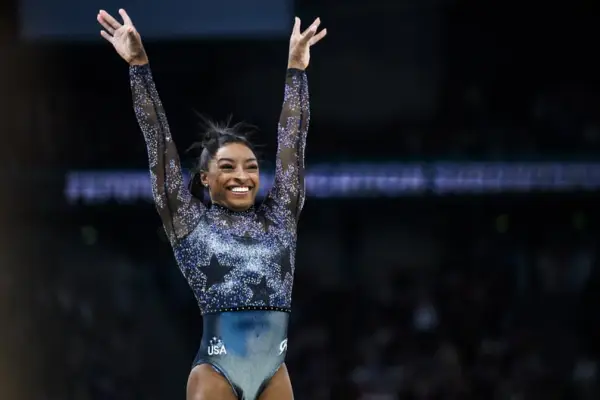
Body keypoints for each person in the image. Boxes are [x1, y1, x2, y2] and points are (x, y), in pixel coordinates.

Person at [96, 8, 326, 400]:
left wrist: (296, 71)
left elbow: (293, 141)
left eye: (251, 167)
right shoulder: (189, 221)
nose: (242, 175)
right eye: (228, 167)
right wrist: (138, 67)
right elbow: (158, 144)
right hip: (217, 370)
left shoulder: (280, 216)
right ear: (206, 177)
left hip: (275, 371)